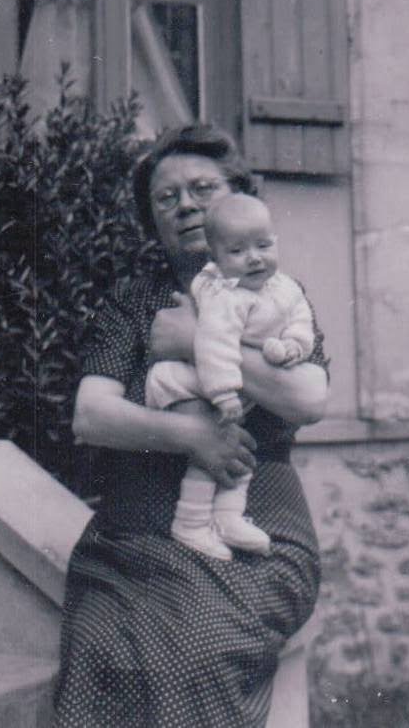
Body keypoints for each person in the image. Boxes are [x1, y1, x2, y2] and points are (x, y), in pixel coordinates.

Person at [52, 124, 328, 728]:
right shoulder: (132, 303)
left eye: (202, 188)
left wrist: (195, 340)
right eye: (166, 198)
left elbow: (309, 399)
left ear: (240, 195)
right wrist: (190, 436)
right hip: (133, 535)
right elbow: (90, 414)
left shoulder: (278, 296)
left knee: (198, 649)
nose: (185, 206)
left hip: (254, 525)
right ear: (153, 222)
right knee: (97, 653)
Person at [145, 193, 316, 561]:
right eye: (237, 251)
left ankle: (227, 517)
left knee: (239, 444)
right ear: (217, 259)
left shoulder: (283, 287)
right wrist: (223, 394)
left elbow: (301, 319)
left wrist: (293, 346)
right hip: (190, 380)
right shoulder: (226, 296)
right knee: (215, 443)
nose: (254, 257)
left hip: (228, 385)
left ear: (275, 242)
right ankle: (190, 524)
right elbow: (213, 346)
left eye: (263, 245)